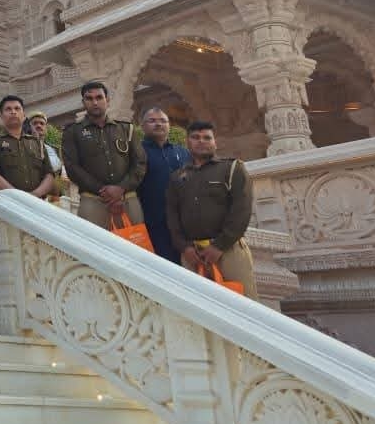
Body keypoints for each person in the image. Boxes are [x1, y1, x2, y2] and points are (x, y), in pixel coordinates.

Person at [166, 121, 258, 300]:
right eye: (195, 137)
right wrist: (184, 247)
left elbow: (242, 210)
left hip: (228, 251)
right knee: (200, 307)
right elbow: (172, 216)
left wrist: (219, 246)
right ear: (187, 142)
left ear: (215, 142)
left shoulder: (232, 169)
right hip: (192, 255)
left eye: (207, 138)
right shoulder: (177, 177)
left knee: (244, 306)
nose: (201, 141)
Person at [61, 81, 146, 229]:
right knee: (93, 247)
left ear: (107, 100)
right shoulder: (72, 132)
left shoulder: (126, 129)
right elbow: (72, 167)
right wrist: (105, 192)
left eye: (99, 97)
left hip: (127, 198)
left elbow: (140, 163)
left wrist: (121, 189)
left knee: (134, 248)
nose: (95, 102)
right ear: (83, 102)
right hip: (92, 200)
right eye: (89, 98)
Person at [139, 107, 190, 264]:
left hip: (185, 223)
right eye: (152, 121)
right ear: (142, 126)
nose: (158, 124)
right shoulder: (137, 152)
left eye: (163, 121)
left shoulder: (182, 152)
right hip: (154, 223)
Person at [0, 95, 55, 198]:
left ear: (24, 116)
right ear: (1, 116)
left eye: (17, 108)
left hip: (37, 203)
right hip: (8, 203)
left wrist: (35, 195)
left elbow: (49, 175)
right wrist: (19, 196)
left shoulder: (37, 143)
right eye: (8, 109)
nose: (13, 112)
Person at [27, 110, 68, 199]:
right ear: (29, 127)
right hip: (33, 195)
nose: (39, 126)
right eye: (35, 123)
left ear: (46, 128)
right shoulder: (24, 146)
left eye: (42, 123)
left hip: (54, 196)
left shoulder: (55, 149)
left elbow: (60, 172)